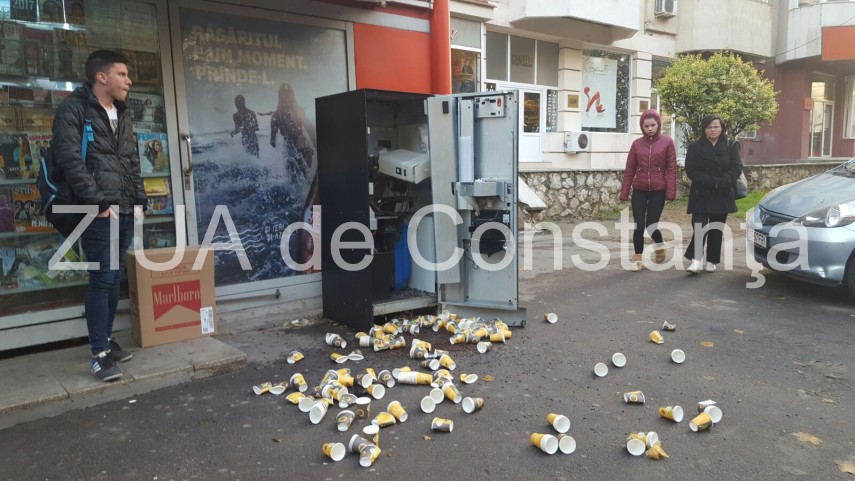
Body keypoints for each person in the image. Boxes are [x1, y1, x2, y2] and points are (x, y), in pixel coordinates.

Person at [52, 50, 147, 381]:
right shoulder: (74, 110)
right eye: (122, 74)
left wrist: (139, 199)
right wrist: (98, 203)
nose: (129, 81)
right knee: (102, 278)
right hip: (98, 211)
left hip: (123, 208)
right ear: (101, 77)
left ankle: (105, 341)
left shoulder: (121, 113)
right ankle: (99, 355)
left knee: (114, 276)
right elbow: (69, 160)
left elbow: (131, 160)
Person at [683, 114, 742, 274]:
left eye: (716, 126)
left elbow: (737, 167)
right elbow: (691, 169)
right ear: (704, 129)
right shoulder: (695, 147)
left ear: (722, 128)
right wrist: (710, 181)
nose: (713, 130)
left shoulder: (731, 145)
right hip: (701, 192)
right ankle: (696, 260)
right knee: (700, 226)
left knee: (716, 228)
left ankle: (712, 260)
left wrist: (722, 181)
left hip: (722, 192)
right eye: (709, 127)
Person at [619, 109, 677, 272]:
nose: (650, 128)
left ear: (658, 124)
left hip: (658, 190)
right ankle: (638, 259)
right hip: (639, 190)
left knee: (651, 225)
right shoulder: (637, 144)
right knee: (639, 226)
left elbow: (671, 169)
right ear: (642, 127)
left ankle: (659, 245)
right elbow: (630, 169)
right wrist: (624, 192)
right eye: (646, 126)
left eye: (653, 125)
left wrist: (670, 192)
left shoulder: (667, 142)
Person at [266, 83, 316, 182]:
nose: (286, 97)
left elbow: (273, 142)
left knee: (295, 182)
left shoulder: (276, 115)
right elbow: (309, 128)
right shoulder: (298, 110)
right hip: (304, 149)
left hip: (292, 151)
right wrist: (315, 145)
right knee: (306, 180)